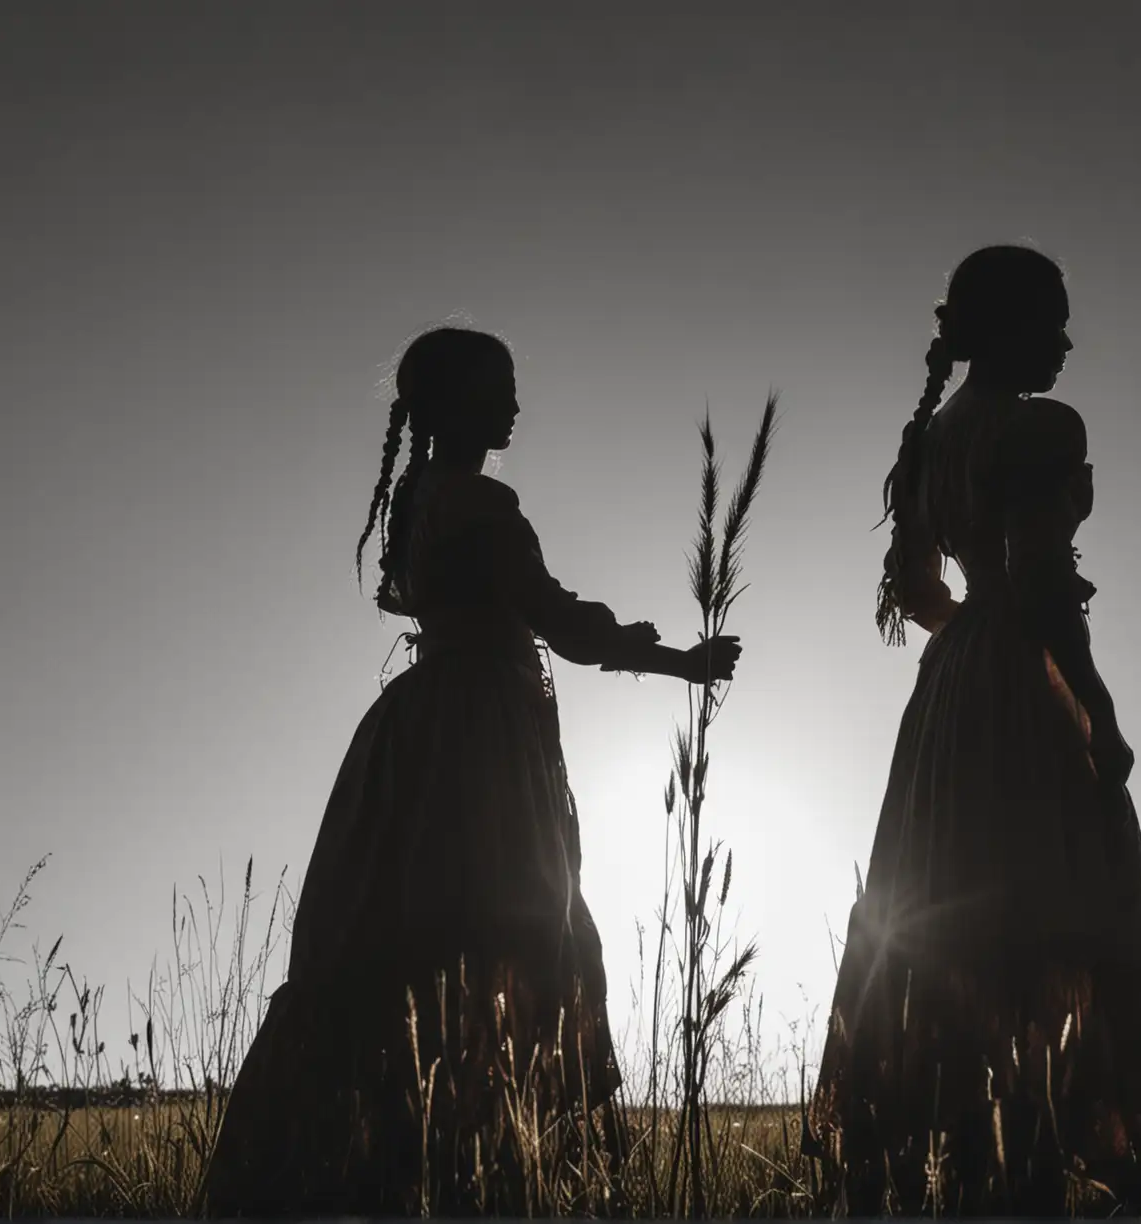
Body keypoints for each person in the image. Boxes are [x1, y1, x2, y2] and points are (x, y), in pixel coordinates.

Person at [200, 326, 741, 1216]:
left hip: (418, 735)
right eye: (502, 389)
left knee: (393, 941)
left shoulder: (418, 499)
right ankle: (481, 1169)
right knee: (502, 932)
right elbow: (557, 622)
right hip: (478, 744)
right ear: (458, 404)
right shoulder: (479, 505)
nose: (516, 405)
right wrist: (680, 660)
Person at [807, 246, 1141, 1214]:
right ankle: (1053, 1154)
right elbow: (1048, 584)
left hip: (950, 695)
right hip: (1019, 684)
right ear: (1009, 327)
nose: (1065, 340)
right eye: (1052, 320)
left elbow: (920, 591)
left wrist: (971, 637)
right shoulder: (1040, 429)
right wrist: (1095, 712)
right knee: (1078, 901)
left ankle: (967, 1149)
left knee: (957, 917)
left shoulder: (932, 439)